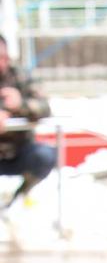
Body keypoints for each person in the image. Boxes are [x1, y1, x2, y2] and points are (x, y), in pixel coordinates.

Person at [0, 35, 56, 203]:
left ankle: (18, 198)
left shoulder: (20, 76)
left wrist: (20, 105)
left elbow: (45, 107)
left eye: (3, 58)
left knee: (44, 155)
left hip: (19, 149)